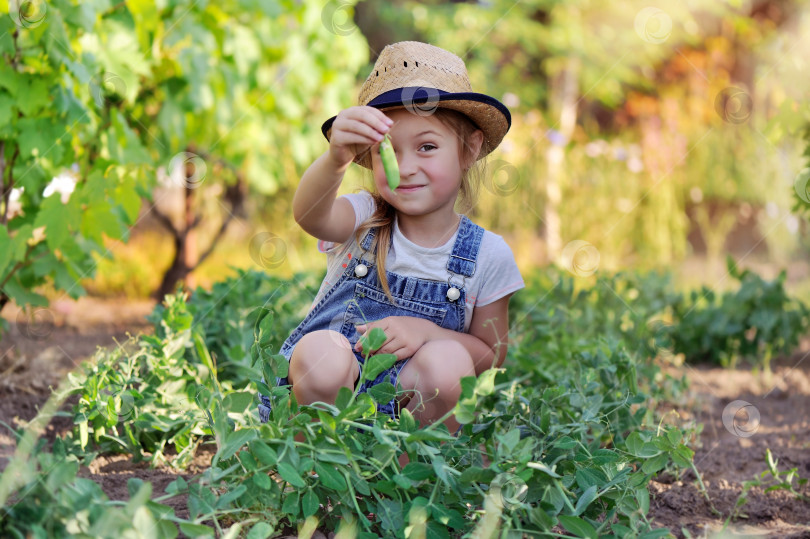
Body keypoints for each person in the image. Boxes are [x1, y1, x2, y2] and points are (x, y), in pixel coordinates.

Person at [258, 41, 525, 440]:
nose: (406, 167)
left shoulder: (489, 255)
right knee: (320, 356)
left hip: (410, 410)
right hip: (334, 397)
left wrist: (428, 333)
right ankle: (314, 468)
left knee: (449, 363)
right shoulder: (365, 216)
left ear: (468, 149)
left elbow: (491, 354)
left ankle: (404, 486)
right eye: (388, 151)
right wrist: (335, 160)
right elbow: (310, 215)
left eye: (428, 147)